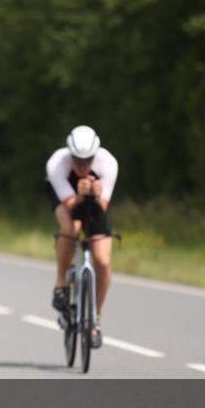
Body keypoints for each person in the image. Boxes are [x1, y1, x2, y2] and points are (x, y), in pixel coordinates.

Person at [45, 125, 118, 348]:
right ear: (70, 154)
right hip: (67, 197)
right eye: (77, 159)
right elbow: (68, 205)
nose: (83, 165)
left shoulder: (108, 163)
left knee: (102, 260)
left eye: (88, 160)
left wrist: (95, 194)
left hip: (95, 203)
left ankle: (95, 318)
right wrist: (79, 195)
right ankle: (61, 284)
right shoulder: (57, 164)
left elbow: (103, 206)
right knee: (71, 229)